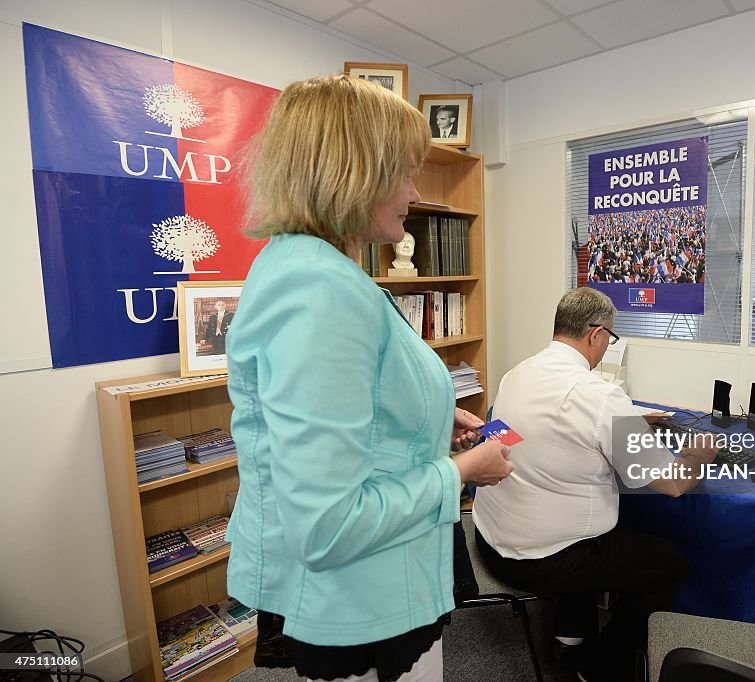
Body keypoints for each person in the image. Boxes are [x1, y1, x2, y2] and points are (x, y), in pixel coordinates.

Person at [224, 74, 513, 682]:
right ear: (355, 174)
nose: (414, 192)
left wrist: (433, 418)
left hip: (373, 586)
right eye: (404, 173)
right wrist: (464, 470)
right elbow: (329, 524)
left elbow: (361, 402)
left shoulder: (316, 269)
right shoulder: (320, 288)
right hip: (356, 601)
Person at [471, 287, 719, 682]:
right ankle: (602, 664)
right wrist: (697, 455)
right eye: (611, 338)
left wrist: (627, 423)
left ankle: (569, 637)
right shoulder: (600, 396)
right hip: (543, 560)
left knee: (590, 526)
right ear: (597, 334)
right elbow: (672, 484)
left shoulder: (516, 374)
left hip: (488, 539)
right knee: (668, 563)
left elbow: (517, 441)